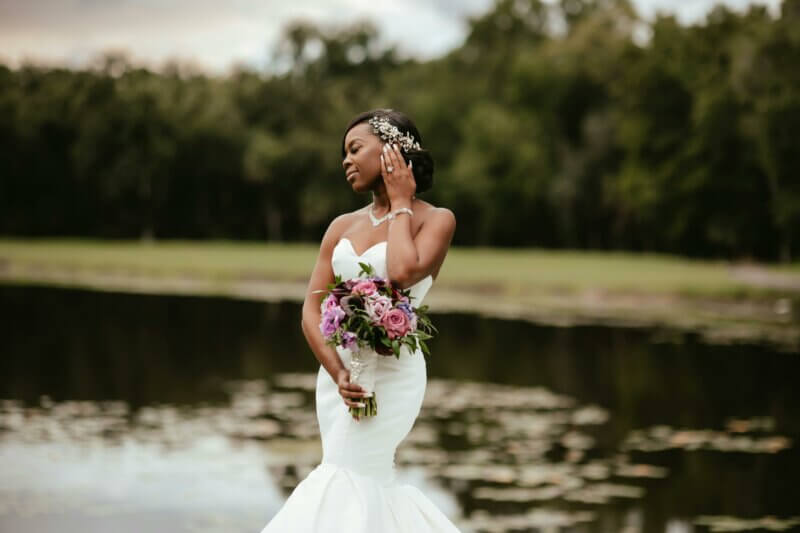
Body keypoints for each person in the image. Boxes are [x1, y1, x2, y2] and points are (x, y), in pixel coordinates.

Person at [260, 108, 459, 531]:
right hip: (339, 377)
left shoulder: (437, 220)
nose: (345, 161)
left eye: (354, 149)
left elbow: (404, 271)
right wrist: (336, 373)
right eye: (343, 153)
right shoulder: (340, 226)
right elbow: (311, 310)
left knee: (350, 475)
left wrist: (402, 202)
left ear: (391, 153)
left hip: (395, 375)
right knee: (347, 473)